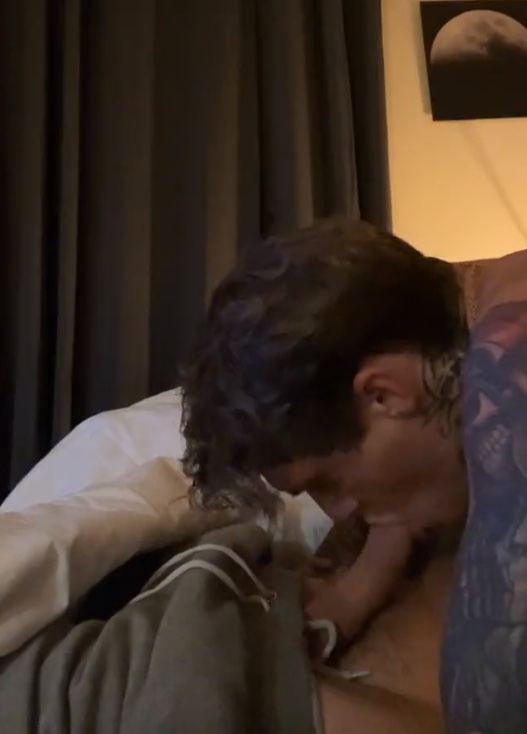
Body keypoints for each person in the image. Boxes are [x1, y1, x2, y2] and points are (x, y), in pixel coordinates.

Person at [181, 217, 527, 733]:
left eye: (329, 483)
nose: (341, 513)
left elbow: (500, 713)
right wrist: (361, 583)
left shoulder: (512, 362)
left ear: (383, 393)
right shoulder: (450, 330)